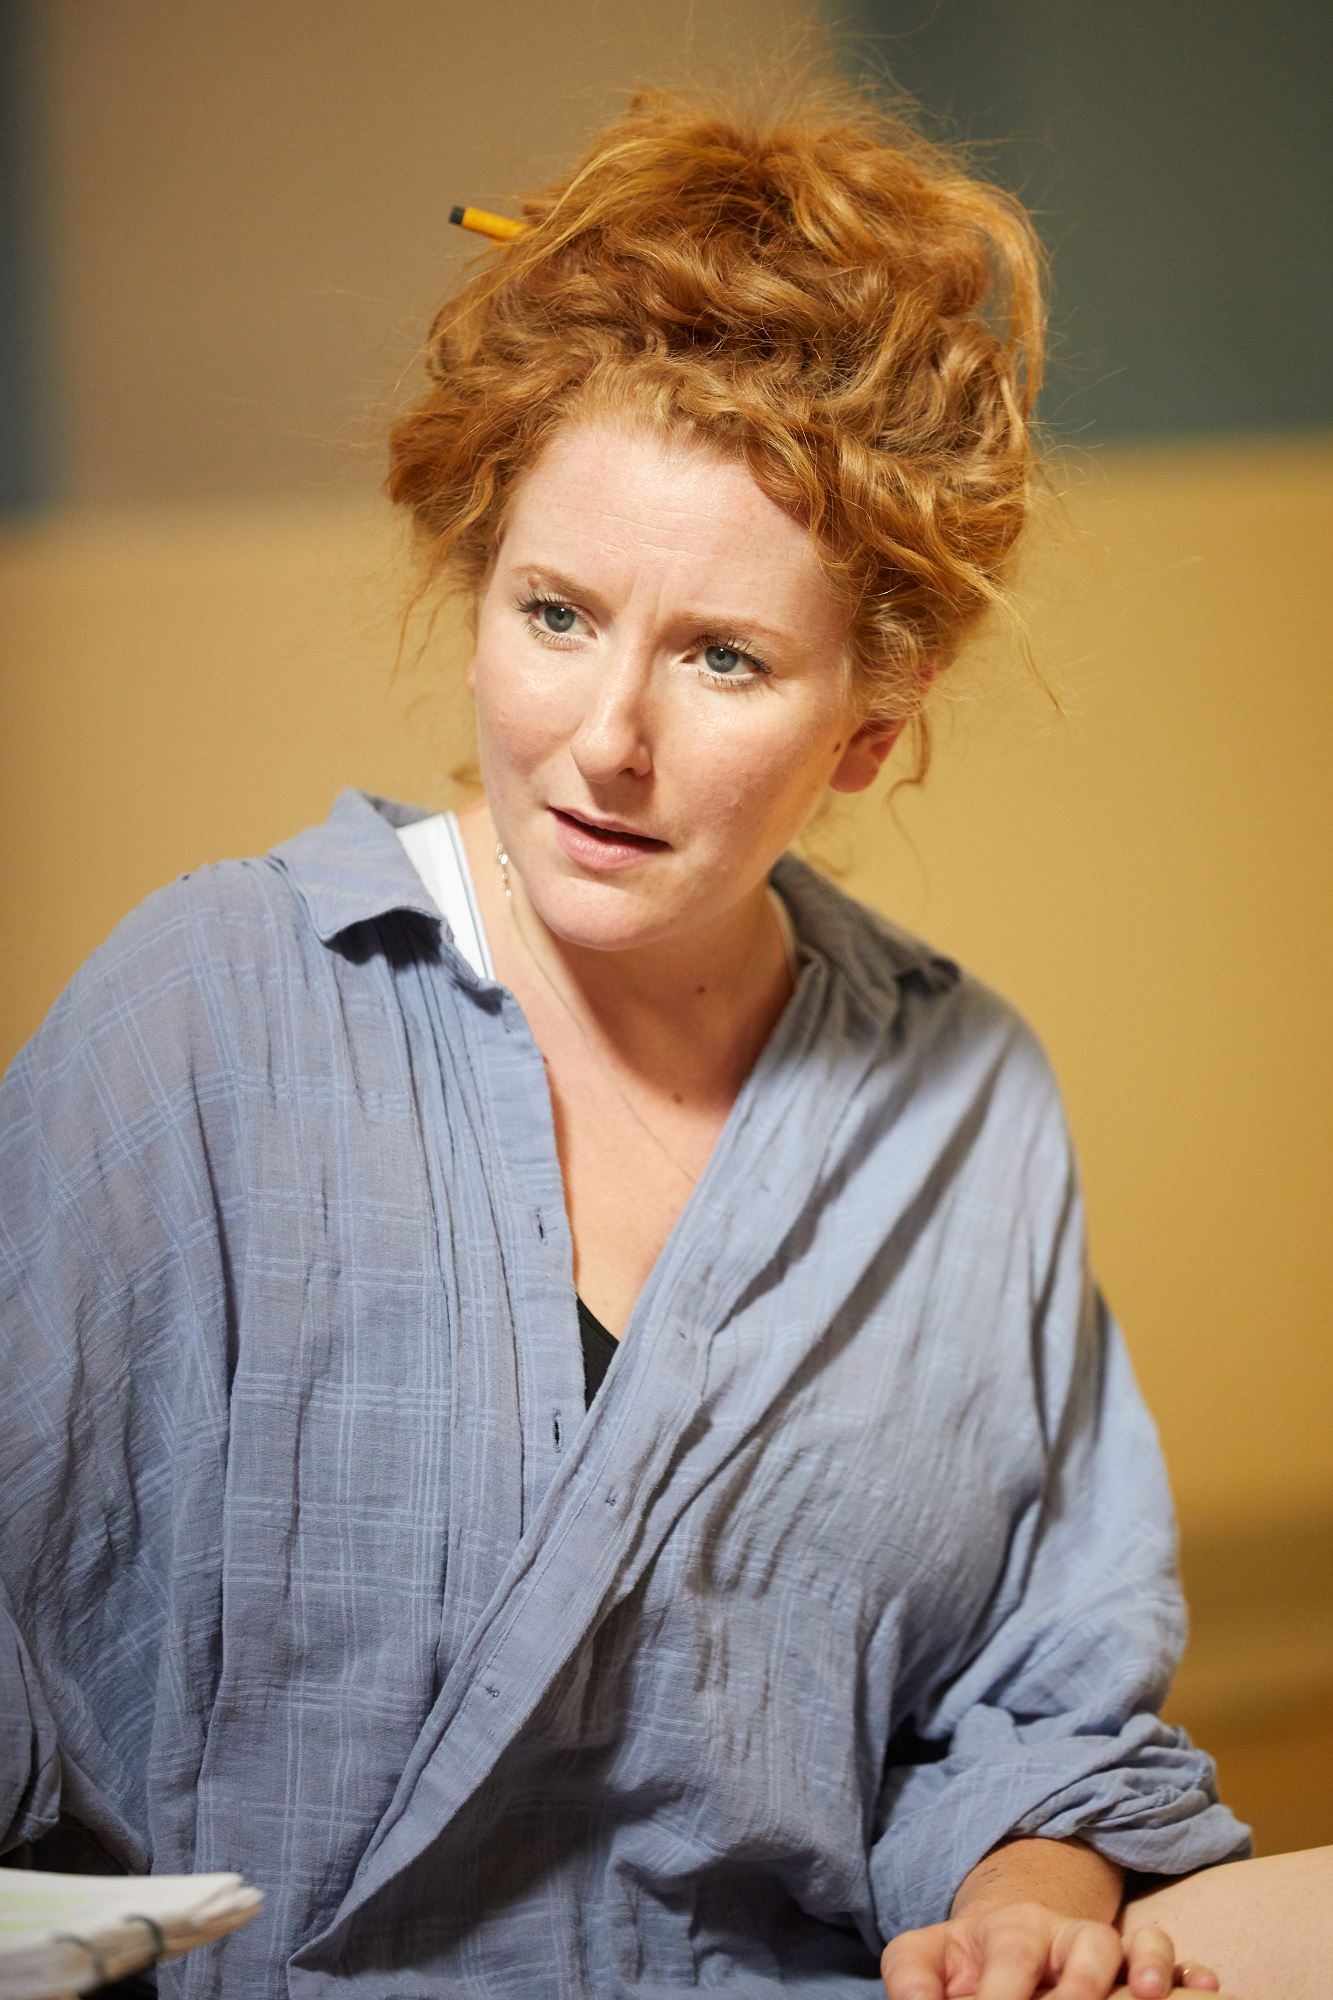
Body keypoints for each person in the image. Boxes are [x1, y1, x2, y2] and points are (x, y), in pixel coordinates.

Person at [1, 74, 1327, 2000]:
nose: (605, 739)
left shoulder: (961, 1106)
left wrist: (1028, 1912)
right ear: (478, 593)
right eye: (556, 615)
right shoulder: (211, 1017)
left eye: (723, 657)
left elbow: (1032, 1710)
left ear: (870, 720)